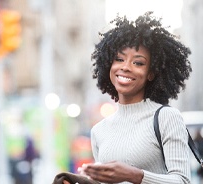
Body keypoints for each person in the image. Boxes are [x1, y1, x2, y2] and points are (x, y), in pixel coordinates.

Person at [76, 11, 192, 183]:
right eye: (119, 59)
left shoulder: (166, 117)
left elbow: (183, 180)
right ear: (109, 64)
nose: (126, 67)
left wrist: (135, 175)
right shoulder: (99, 131)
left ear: (151, 73)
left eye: (138, 62)